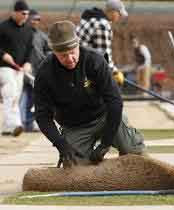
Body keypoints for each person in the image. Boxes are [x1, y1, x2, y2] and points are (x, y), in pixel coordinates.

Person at [34, 20, 145, 167]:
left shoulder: (95, 60)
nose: (70, 59)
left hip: (103, 116)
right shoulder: (45, 72)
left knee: (133, 151)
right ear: (54, 52)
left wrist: (105, 143)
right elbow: (42, 116)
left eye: (72, 52)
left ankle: (130, 145)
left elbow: (115, 102)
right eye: (63, 55)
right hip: (74, 126)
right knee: (74, 167)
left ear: (78, 45)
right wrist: (61, 145)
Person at [0, 0, 33, 136]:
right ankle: (16, 123)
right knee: (11, 92)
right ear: (15, 12)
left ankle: (8, 127)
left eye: (27, 14)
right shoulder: (2, 27)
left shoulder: (28, 30)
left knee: (15, 97)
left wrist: (28, 63)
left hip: (19, 69)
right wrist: (3, 54)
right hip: (4, 67)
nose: (26, 16)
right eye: (23, 13)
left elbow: (30, 49)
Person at [76, 0, 128, 74]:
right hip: (82, 67)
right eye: (119, 14)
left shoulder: (91, 18)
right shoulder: (102, 26)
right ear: (112, 11)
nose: (120, 17)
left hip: (77, 60)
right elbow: (103, 56)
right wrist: (115, 72)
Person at [20, 9, 50, 132]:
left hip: (37, 72)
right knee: (20, 97)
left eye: (38, 19)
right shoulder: (21, 34)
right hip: (22, 70)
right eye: (33, 19)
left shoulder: (43, 36)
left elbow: (48, 50)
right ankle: (21, 122)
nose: (35, 21)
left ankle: (29, 122)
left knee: (33, 98)